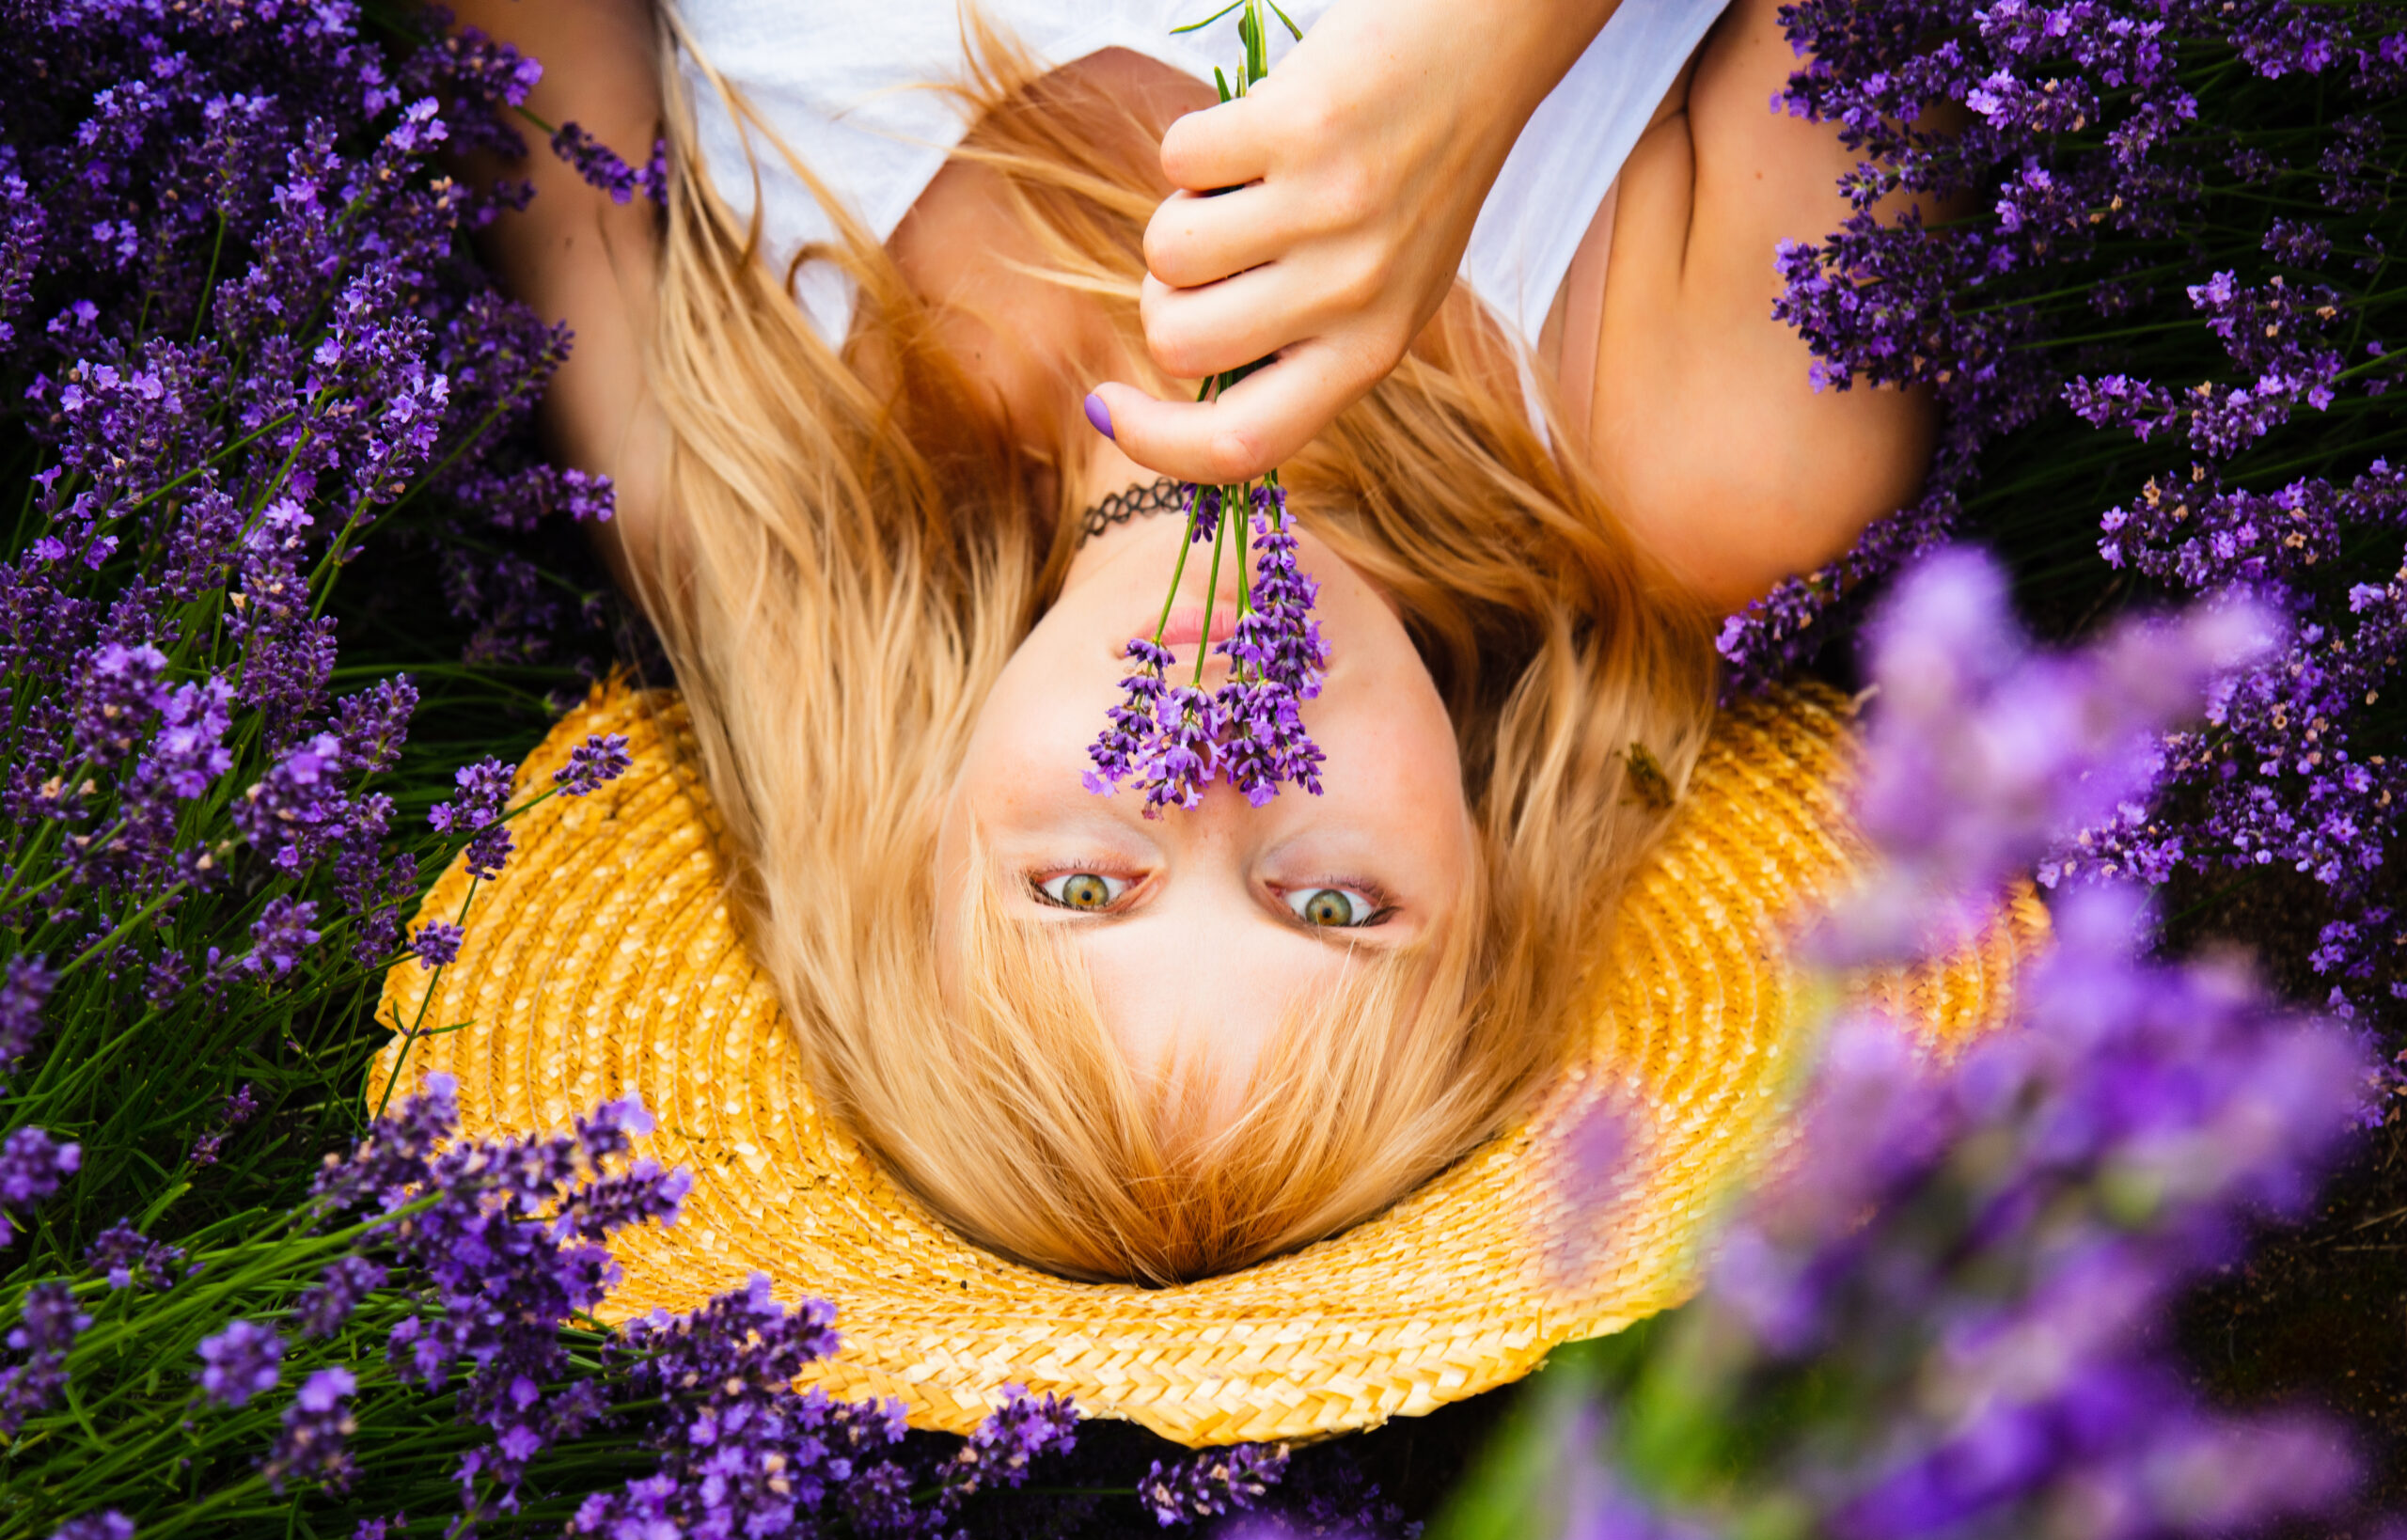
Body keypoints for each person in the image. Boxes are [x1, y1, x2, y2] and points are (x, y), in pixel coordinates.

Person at [448, 0, 1948, 1283]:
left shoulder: (731, 471)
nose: (1218, 766)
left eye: (1084, 882)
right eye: (1338, 904)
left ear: (917, 853)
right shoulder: (1724, 445)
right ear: (1488, 895)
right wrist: (1488, 57)